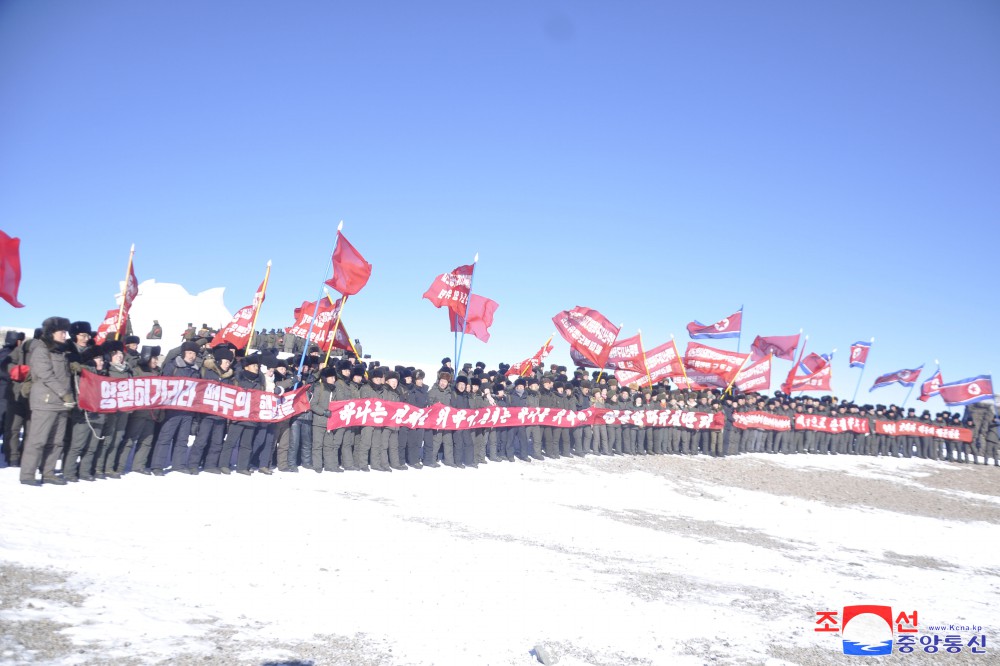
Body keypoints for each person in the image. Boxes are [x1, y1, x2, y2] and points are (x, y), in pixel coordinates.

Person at [21, 317, 73, 486]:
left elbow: (65, 377)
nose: (65, 335)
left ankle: (48, 472)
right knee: (38, 440)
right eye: (62, 332)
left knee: (56, 442)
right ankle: (27, 474)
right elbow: (46, 375)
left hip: (62, 404)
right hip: (45, 401)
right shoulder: (41, 350)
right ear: (52, 333)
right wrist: (64, 393)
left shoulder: (62, 351)